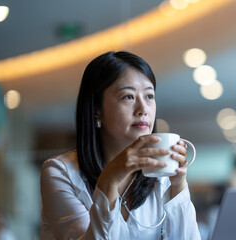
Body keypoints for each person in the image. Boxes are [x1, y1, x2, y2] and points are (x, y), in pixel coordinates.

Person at [40, 51, 201, 240]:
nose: (143, 110)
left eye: (149, 96)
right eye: (128, 97)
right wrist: (109, 179)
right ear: (96, 109)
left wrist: (179, 186)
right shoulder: (61, 172)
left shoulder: (161, 177)